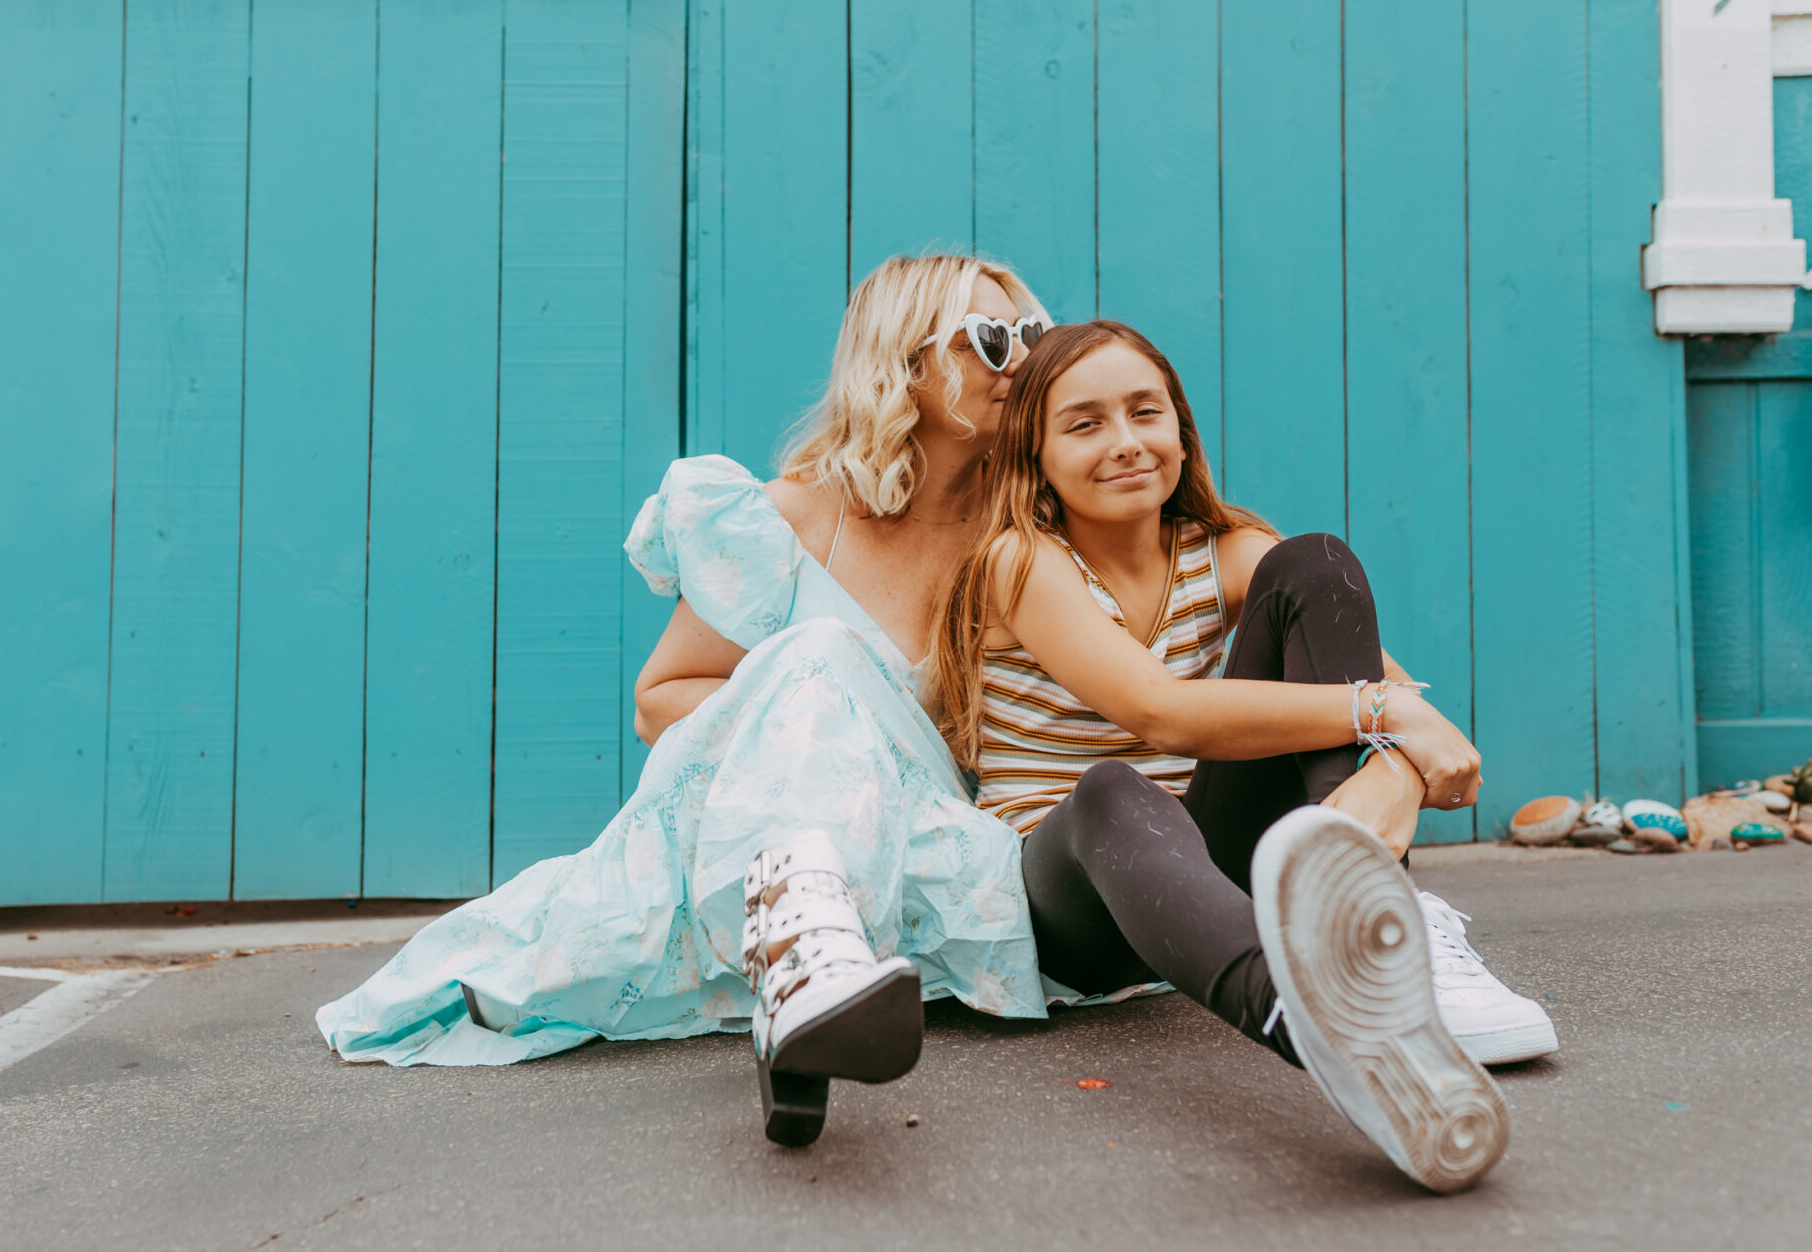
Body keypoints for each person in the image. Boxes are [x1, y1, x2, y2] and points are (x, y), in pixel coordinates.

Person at [319, 254, 1055, 1146]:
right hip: (767, 829)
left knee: (824, 664)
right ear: (904, 362)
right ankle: (803, 966)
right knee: (819, 656)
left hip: (927, 836)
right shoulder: (791, 520)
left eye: (1033, 335)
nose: (1021, 359)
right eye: (989, 338)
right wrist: (822, 715)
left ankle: (802, 986)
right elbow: (660, 700)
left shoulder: (1031, 531)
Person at [930, 319, 1556, 1192]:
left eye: (1146, 413)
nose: (1124, 443)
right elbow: (1164, 714)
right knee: (1118, 787)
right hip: (1070, 900)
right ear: (1034, 460)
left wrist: (1390, 772)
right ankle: (1322, 1028)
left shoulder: (1226, 551)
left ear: (1182, 434)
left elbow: (1399, 708)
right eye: (1083, 424)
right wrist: (1397, 734)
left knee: (1318, 564)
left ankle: (1369, 926)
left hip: (1195, 879)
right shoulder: (1021, 562)